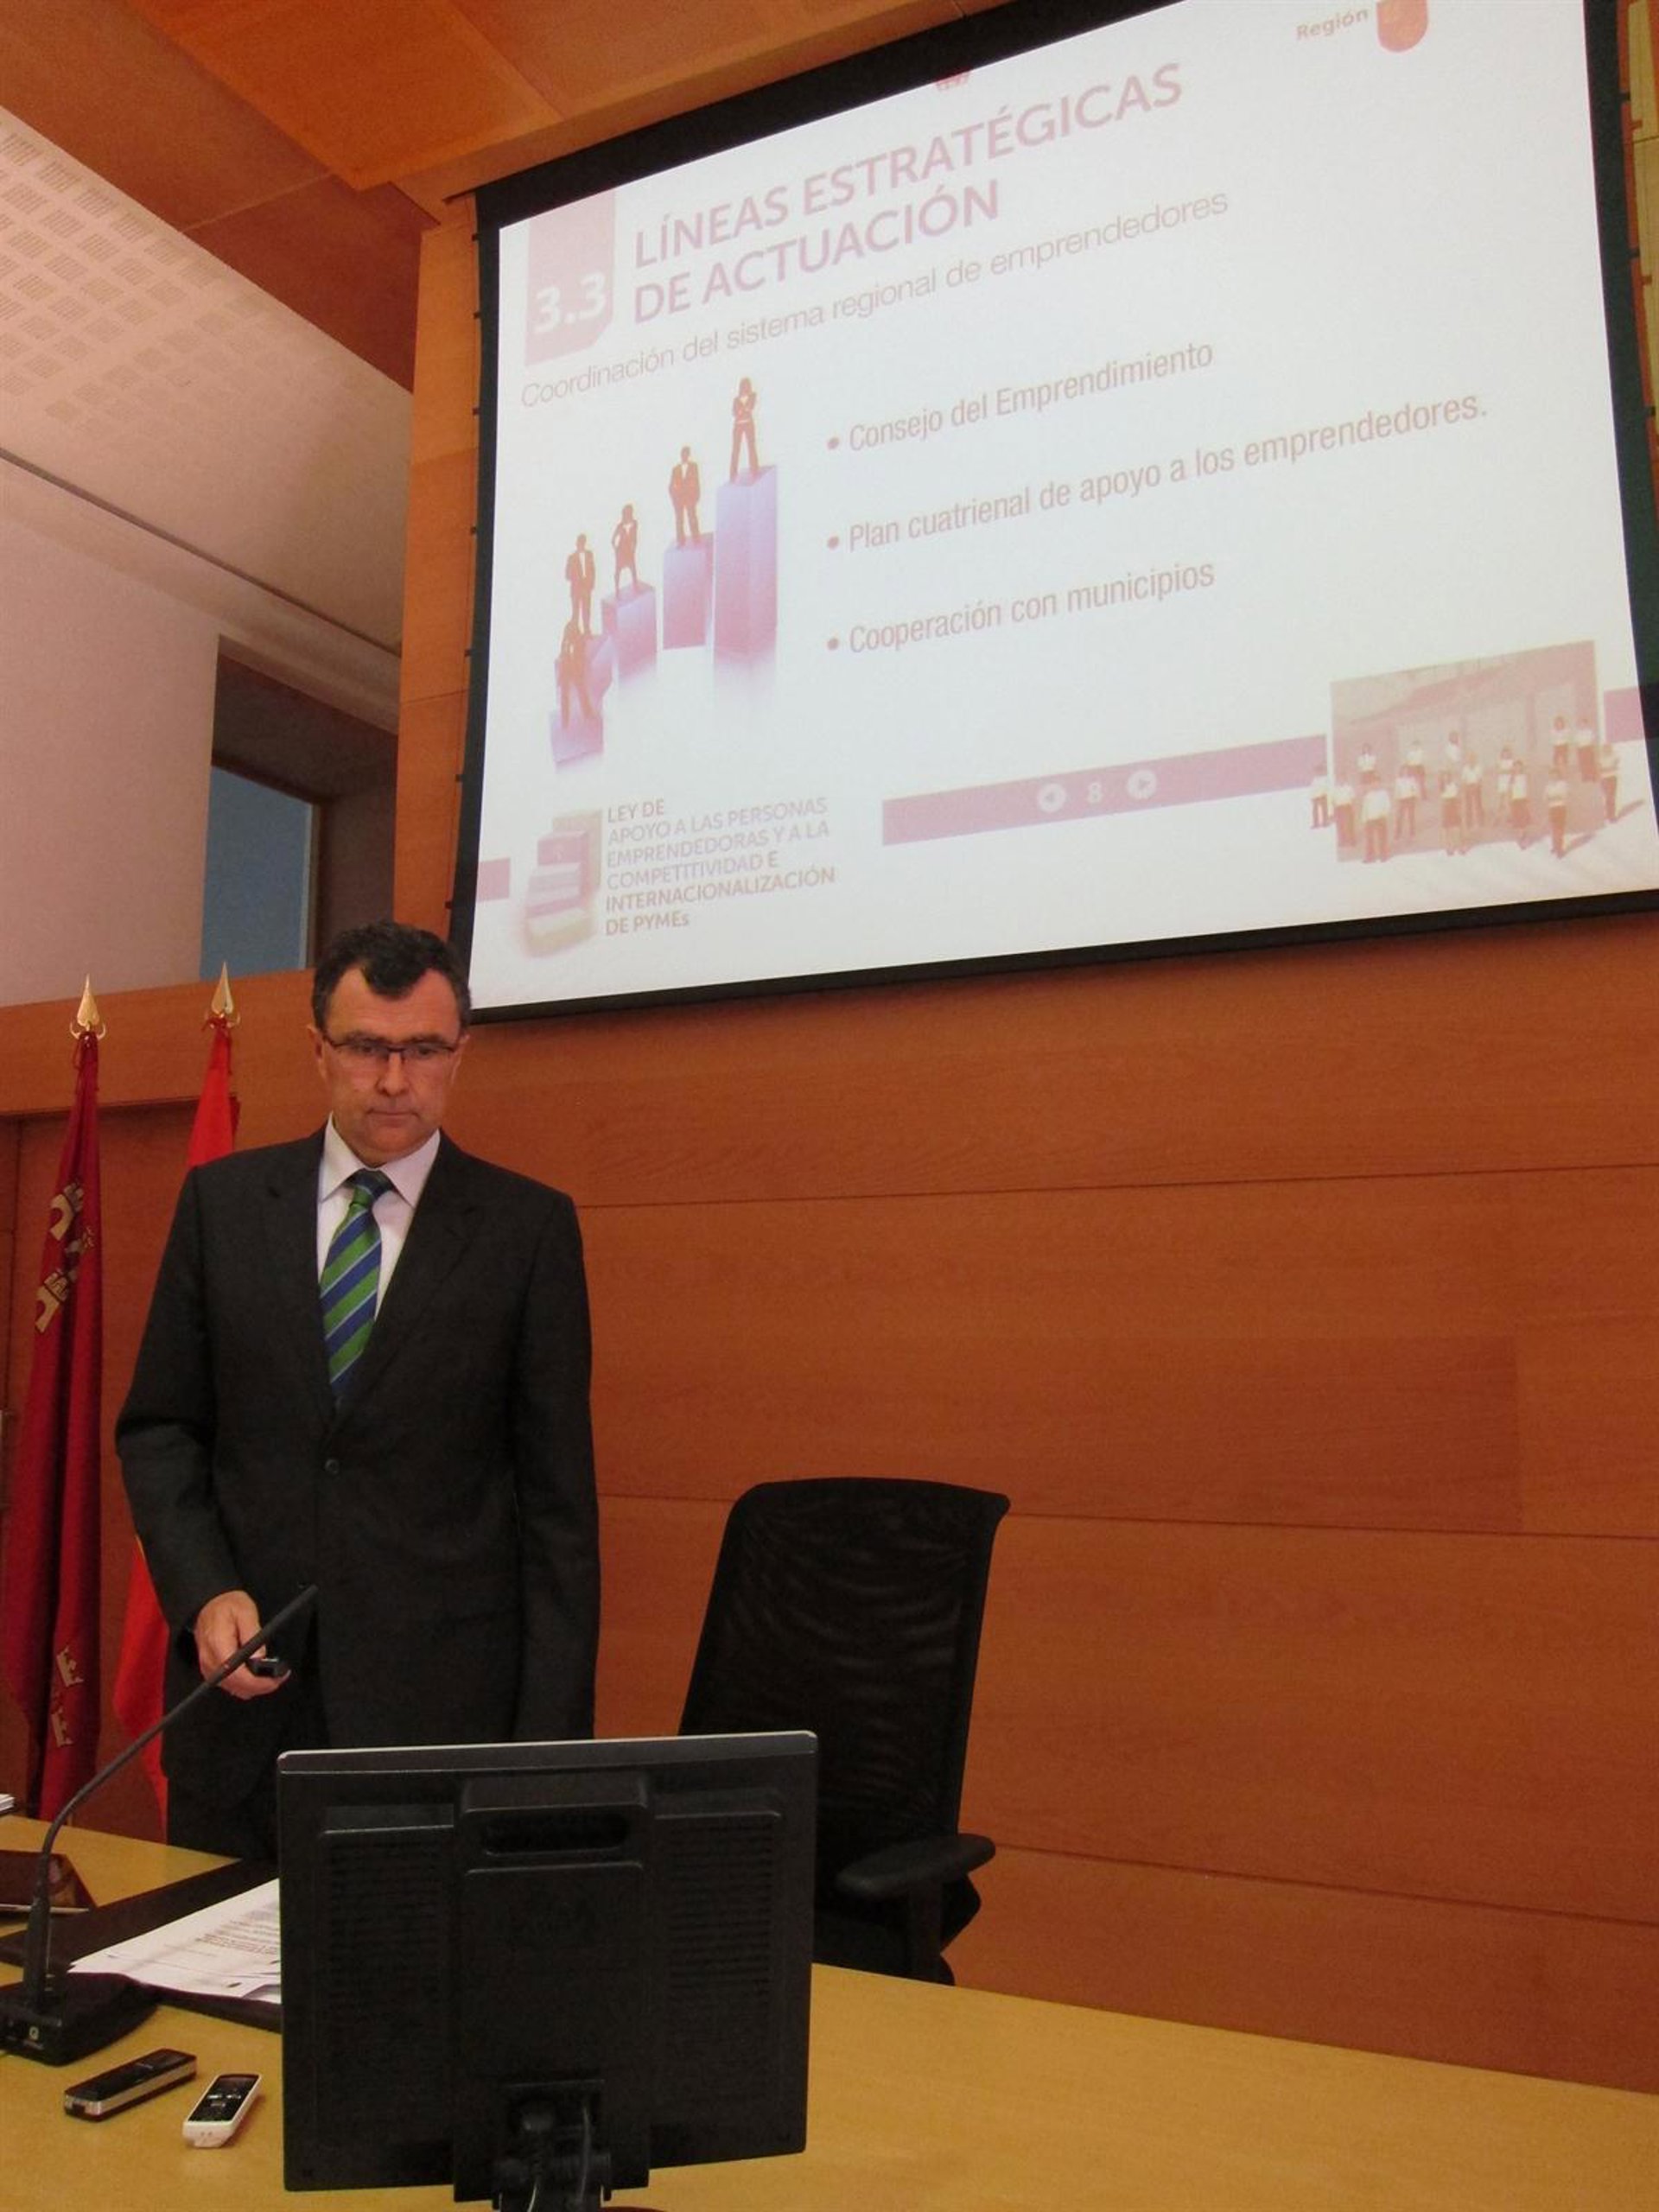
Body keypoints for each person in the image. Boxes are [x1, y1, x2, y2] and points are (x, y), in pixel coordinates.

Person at [117, 921, 600, 1859]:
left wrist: (547, 1762)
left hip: (439, 1722)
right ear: (318, 1050)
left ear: (460, 1055)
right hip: (246, 1709)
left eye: (424, 1050)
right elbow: (161, 1429)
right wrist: (204, 1591)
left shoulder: (527, 1232)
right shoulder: (222, 1207)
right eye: (368, 1048)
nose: (394, 1079)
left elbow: (559, 1514)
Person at [669, 446, 701, 544]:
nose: (684, 456)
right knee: (679, 520)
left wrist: (696, 496)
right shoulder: (675, 469)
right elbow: (671, 485)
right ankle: (681, 541)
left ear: (688, 455)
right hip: (679, 499)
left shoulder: (694, 466)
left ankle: (696, 538)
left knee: (692, 517)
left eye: (686, 454)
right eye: (683, 454)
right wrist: (674, 498)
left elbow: (696, 482)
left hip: (690, 498)